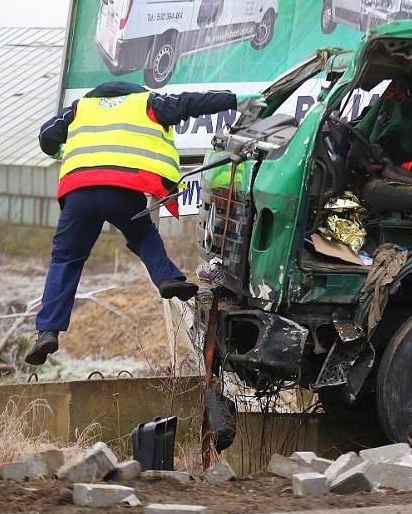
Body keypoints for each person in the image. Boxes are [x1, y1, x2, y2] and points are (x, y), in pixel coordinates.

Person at [25, 81, 265, 365]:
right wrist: (234, 100)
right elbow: (191, 103)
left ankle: (47, 331)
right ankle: (167, 279)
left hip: (80, 194)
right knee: (142, 236)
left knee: (65, 260)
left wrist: (57, 150)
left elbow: (46, 135)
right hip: (123, 190)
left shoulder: (80, 109)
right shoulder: (147, 104)